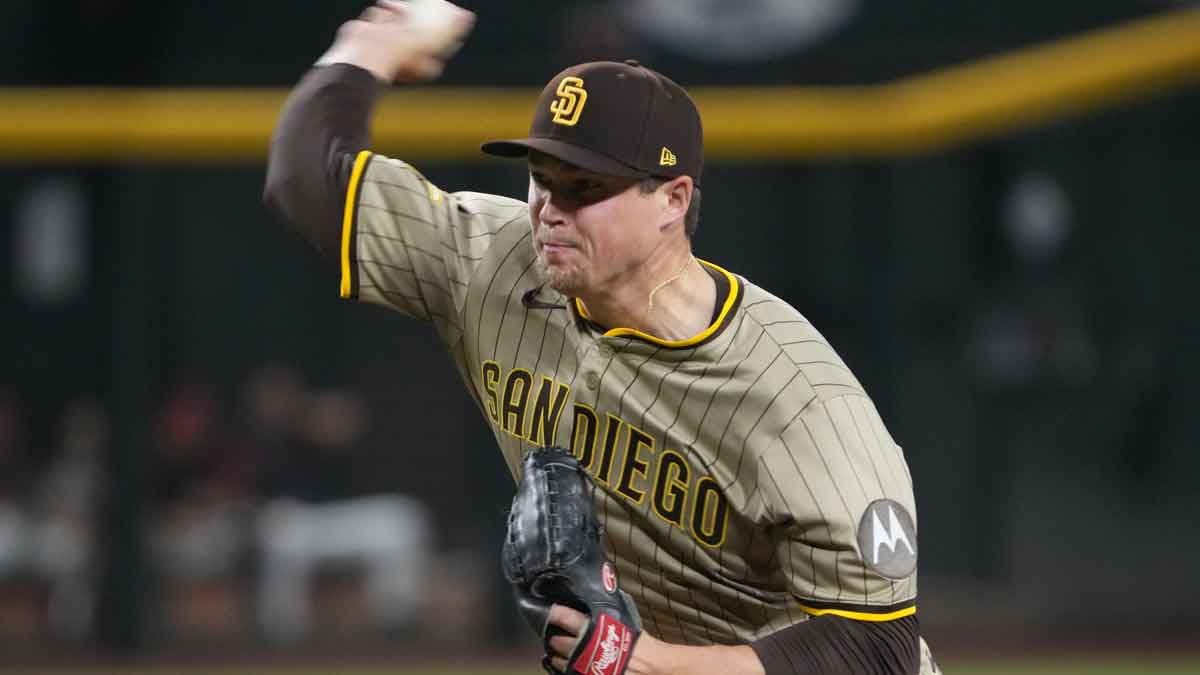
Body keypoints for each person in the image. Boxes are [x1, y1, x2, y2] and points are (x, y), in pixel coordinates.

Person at [263, 1, 939, 672]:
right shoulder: (493, 260)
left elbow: (878, 650)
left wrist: (642, 661)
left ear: (672, 200)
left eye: (584, 186)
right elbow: (308, 180)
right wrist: (368, 48)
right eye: (541, 177)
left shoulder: (797, 398)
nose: (550, 209)